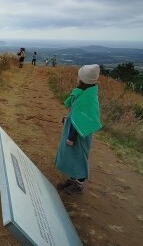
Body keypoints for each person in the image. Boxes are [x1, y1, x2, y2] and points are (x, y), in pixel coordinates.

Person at [55, 64, 102, 195]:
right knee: (71, 156)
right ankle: (71, 180)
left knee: (78, 157)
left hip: (78, 133)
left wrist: (71, 136)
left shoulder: (86, 99)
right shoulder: (86, 94)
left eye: (79, 77)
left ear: (83, 81)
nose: (77, 79)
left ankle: (79, 185)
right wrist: (68, 118)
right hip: (74, 129)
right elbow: (76, 113)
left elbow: (81, 120)